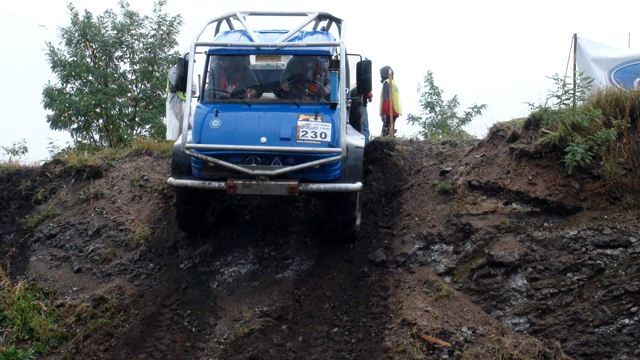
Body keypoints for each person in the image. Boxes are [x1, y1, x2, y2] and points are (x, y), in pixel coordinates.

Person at [166, 53, 196, 141]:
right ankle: (174, 144)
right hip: (174, 102)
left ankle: (187, 143)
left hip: (186, 103)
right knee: (176, 125)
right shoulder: (174, 71)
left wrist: (181, 87)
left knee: (189, 124)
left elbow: (194, 89)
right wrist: (183, 87)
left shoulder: (188, 74)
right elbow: (177, 83)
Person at [379, 65, 402, 136]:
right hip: (395, 110)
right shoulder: (393, 83)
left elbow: (386, 99)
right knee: (390, 130)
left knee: (385, 133)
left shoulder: (387, 83)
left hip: (389, 111)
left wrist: (384, 112)